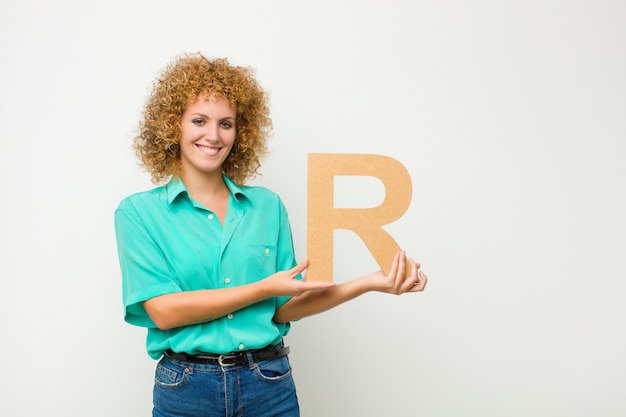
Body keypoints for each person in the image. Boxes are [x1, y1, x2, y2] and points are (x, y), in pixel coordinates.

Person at [114, 53, 428, 417]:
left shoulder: (268, 207)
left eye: (226, 123)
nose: (213, 135)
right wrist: (264, 288)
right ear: (174, 126)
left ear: (240, 131)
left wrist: (369, 282)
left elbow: (284, 307)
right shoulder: (138, 213)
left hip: (268, 383)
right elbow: (164, 312)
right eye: (199, 120)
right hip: (187, 388)